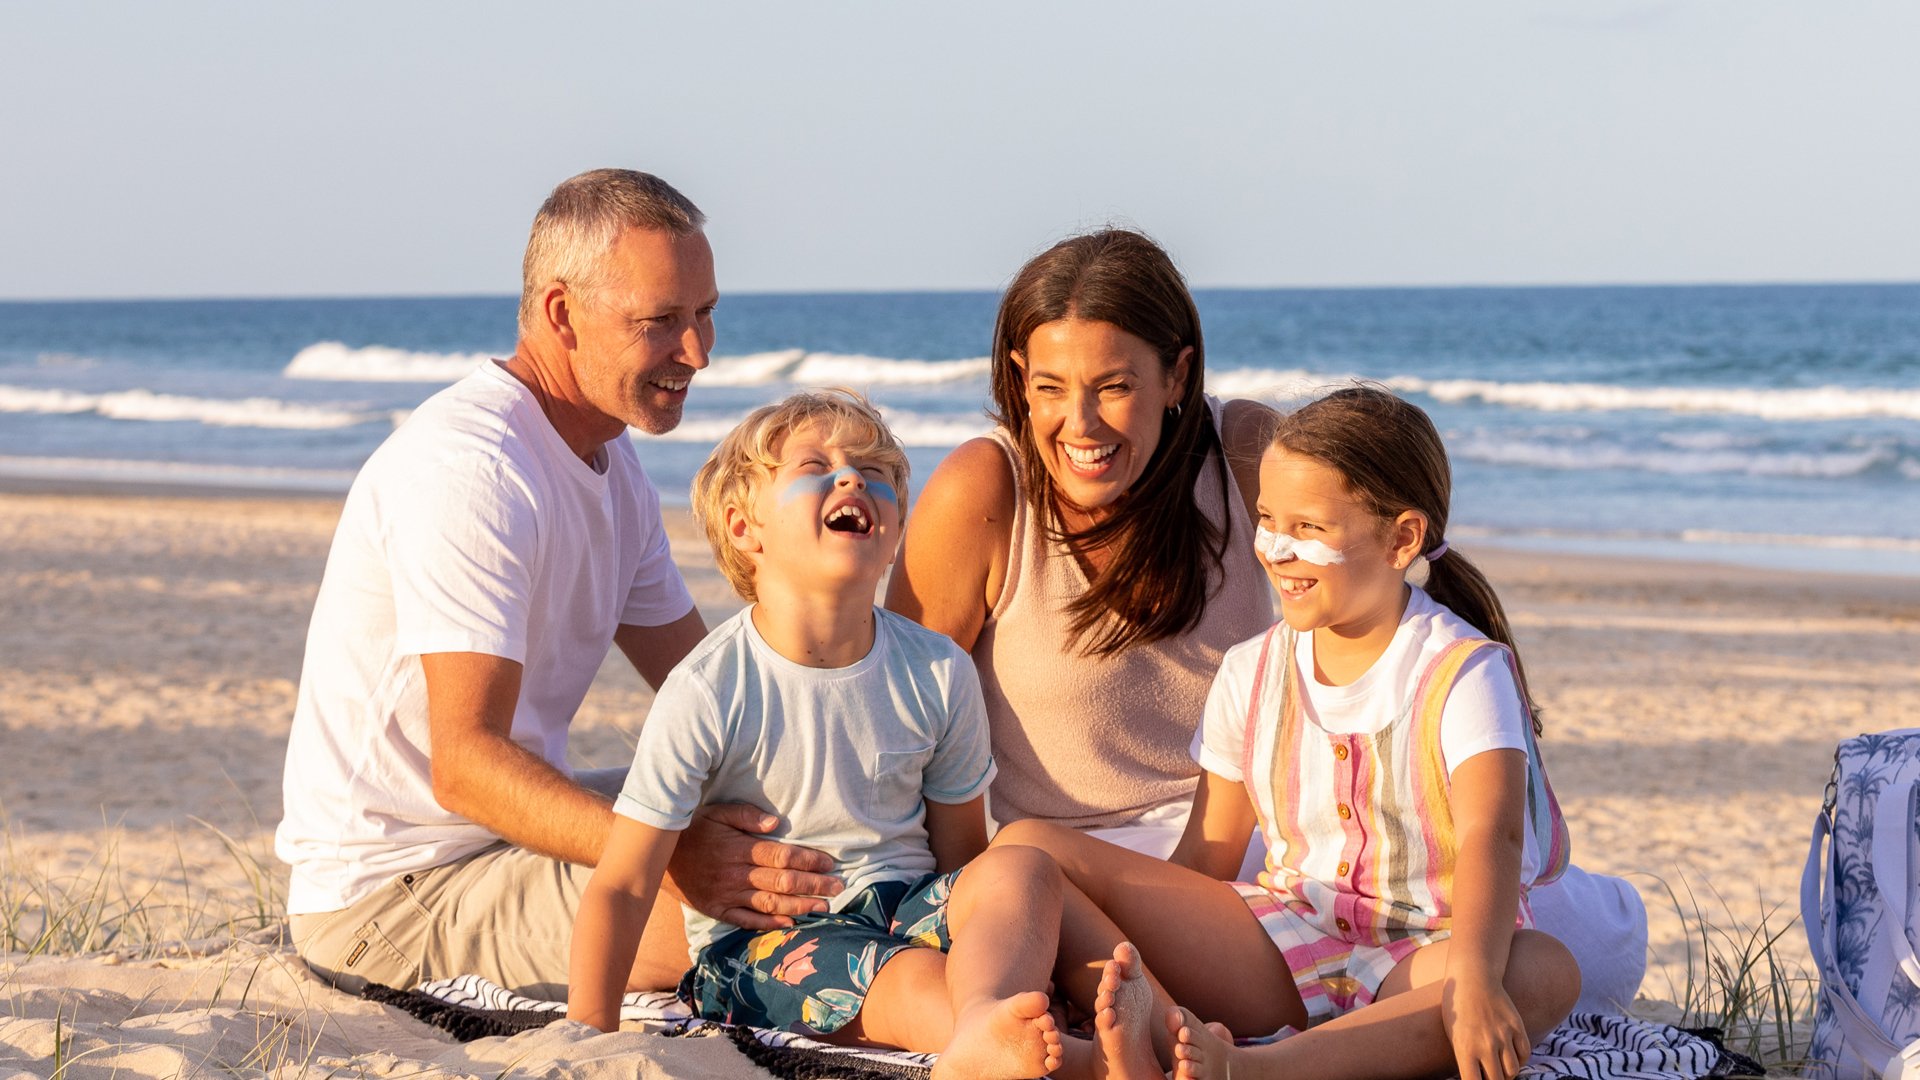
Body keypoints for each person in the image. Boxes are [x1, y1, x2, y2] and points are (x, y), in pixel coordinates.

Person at [886, 227, 1647, 1013]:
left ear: (1177, 374)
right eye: (1049, 387)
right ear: (1020, 377)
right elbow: (894, 721)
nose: (1080, 425)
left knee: (1596, 946)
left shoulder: (1246, 452)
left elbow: (1369, 581)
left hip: (1301, 842)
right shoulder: (985, 492)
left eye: (1114, 386)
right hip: (1111, 864)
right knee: (1030, 890)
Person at [274, 169, 841, 1000]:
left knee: (807, 821)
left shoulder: (612, 471)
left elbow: (718, 691)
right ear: (561, 313)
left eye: (705, 313)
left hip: (505, 848)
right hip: (393, 902)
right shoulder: (475, 471)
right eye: (660, 323)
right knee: (765, 910)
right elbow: (464, 766)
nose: (697, 352)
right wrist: (677, 854)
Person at [995, 385, 1583, 1080]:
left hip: (1428, 960)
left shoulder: (1463, 671)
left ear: (1402, 539)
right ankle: (1118, 1040)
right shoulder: (1251, 670)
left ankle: (1258, 1070)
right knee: (1027, 847)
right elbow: (1206, 858)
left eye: (1309, 528)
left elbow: (1495, 837)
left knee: (1544, 970)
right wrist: (1127, 930)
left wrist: (1478, 983)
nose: (1275, 548)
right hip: (1284, 939)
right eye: (1268, 519)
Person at [570, 389, 1104, 1079]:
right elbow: (622, 883)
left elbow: (962, 860)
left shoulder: (937, 669)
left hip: (907, 906)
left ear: (892, 535)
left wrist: (986, 932)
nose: (853, 477)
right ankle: (1056, 1051)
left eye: (875, 472)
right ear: (743, 529)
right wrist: (586, 1031)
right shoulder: (711, 688)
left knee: (1023, 867)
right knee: (904, 977)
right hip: (771, 947)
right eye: (815, 465)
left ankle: (997, 1020)